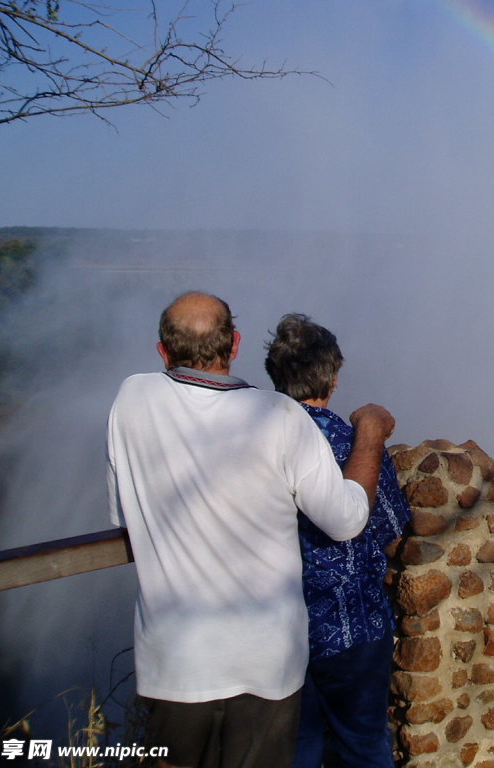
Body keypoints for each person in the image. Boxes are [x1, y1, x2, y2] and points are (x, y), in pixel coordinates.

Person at [107, 292, 396, 768]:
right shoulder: (280, 418)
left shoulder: (131, 399)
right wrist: (369, 434)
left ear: (162, 351)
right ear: (235, 344)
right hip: (267, 659)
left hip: (175, 657)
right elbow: (347, 520)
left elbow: (126, 513)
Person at [264, 313, 411, 768]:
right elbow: (388, 524)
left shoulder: (253, 442)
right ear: (333, 378)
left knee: (296, 749)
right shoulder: (352, 441)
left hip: (277, 628)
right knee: (365, 745)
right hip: (355, 628)